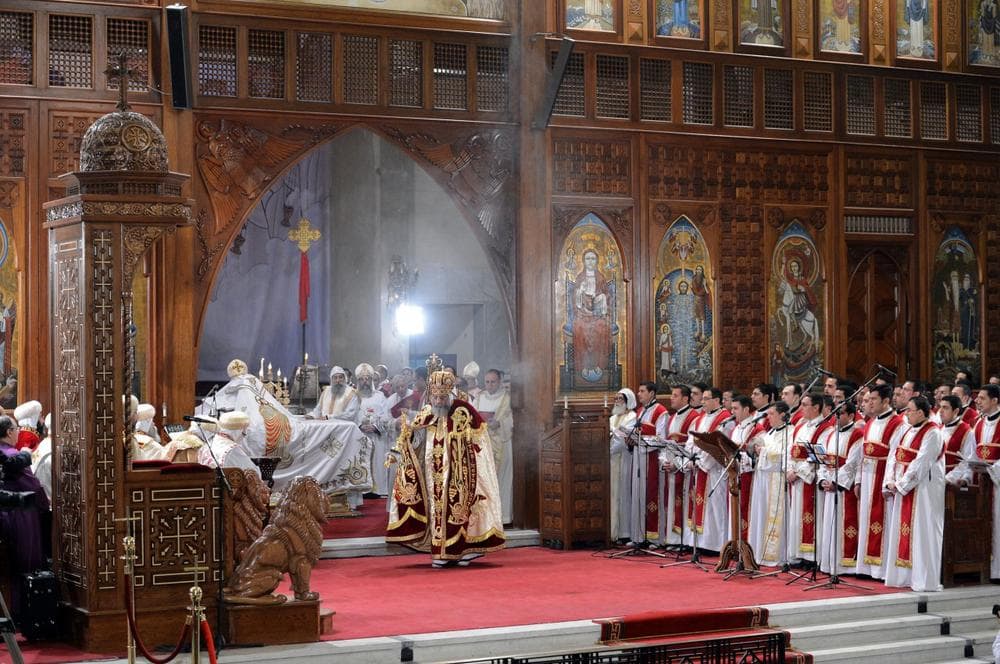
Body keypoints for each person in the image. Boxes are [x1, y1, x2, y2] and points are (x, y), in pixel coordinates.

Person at [386, 370, 505, 567]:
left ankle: (464, 550)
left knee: (461, 512)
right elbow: (411, 434)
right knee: (436, 512)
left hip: (461, 474)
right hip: (434, 475)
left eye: (442, 397)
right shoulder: (428, 411)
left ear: (449, 393)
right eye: (435, 396)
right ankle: (440, 552)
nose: (438, 401)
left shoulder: (463, 411)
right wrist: (398, 450)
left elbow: (479, 442)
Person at [882, 396, 944, 591]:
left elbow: (921, 463)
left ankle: (924, 580)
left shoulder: (933, 433)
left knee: (922, 532)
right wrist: (890, 480)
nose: (905, 413)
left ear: (920, 412)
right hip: (905, 488)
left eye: (909, 410)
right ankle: (903, 577)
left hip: (924, 490)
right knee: (905, 531)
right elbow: (894, 456)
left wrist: (900, 484)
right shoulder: (908, 430)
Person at [853, 384, 906, 579]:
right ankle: (866, 567)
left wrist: (888, 482)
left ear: (885, 401)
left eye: (873, 399)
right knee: (867, 520)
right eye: (868, 399)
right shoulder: (870, 422)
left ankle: (882, 568)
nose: (869, 403)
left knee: (883, 521)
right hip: (867, 479)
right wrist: (858, 480)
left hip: (882, 480)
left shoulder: (898, 424)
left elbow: (894, 456)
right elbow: (862, 454)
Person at [0, 414, 49, 621]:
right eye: (16, 428)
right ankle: (20, 613)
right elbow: (33, 487)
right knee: (24, 563)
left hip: (4, 514)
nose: (19, 431)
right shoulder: (13, 455)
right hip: (19, 514)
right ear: (9, 432)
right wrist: (45, 507)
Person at [682, 387, 733, 552]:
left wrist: (702, 462)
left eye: (705, 399)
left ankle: (716, 544)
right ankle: (701, 543)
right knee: (699, 505)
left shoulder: (725, 418)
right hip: (699, 468)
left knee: (715, 507)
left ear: (716, 400)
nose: (702, 402)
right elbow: (691, 441)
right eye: (702, 398)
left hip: (715, 470)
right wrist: (692, 459)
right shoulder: (700, 418)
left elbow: (720, 445)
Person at [786, 393, 834, 565]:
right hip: (796, 480)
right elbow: (791, 451)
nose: (801, 408)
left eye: (805, 405)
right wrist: (789, 469)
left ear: (816, 407)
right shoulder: (799, 426)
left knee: (811, 516)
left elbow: (818, 456)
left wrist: (797, 473)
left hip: (810, 481)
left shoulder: (826, 429)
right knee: (797, 517)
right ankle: (799, 554)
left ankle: (813, 557)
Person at [817, 400, 863, 575]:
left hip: (844, 491)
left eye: (841, 413)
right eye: (835, 413)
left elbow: (852, 464)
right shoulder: (831, 435)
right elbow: (823, 460)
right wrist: (822, 480)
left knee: (844, 525)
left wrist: (835, 483)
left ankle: (845, 565)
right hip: (830, 487)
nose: (836, 417)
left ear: (851, 415)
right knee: (830, 524)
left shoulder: (857, 435)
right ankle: (829, 563)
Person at [748, 402, 792, 566]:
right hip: (763, 479)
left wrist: (763, 451)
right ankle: (760, 551)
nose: (768, 417)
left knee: (773, 517)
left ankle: (775, 555)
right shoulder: (771, 432)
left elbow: (784, 455)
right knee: (761, 515)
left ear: (782, 415)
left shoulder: (790, 432)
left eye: (771, 414)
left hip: (776, 480)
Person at [659, 384, 699, 546]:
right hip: (671, 467)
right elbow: (666, 443)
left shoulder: (694, 417)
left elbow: (692, 445)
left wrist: (677, 464)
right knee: (671, 503)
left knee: (684, 504)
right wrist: (664, 461)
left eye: (675, 395)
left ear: (685, 398)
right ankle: (672, 539)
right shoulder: (672, 417)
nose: (671, 398)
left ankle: (684, 541)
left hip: (685, 469)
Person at [631, 381, 669, 544]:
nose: (639, 394)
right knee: (638, 496)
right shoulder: (640, 411)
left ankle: (654, 537)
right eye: (638, 391)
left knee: (652, 497)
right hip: (638, 459)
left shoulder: (661, 412)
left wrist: (641, 440)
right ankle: (639, 535)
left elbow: (661, 438)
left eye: (642, 391)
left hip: (652, 459)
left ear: (652, 393)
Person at [474, 369, 513, 524]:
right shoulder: (478, 398)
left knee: (501, 480)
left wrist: (499, 423)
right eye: (487, 382)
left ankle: (502, 517)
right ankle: (484, 517)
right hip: (482, 444)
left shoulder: (507, 398)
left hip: (502, 444)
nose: (490, 385)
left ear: (500, 381)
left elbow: (513, 420)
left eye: (493, 381)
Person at [572, 248, 612, 383]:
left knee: (602, 328)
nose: (590, 261)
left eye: (593, 258)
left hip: (598, 314)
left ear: (597, 261)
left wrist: (601, 300)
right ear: (583, 261)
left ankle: (599, 365)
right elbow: (575, 298)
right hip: (583, 313)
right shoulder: (579, 277)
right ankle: (584, 366)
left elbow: (607, 296)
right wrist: (580, 292)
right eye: (588, 258)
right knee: (579, 328)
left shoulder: (601, 277)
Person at [730, 395, 765, 542]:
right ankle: (735, 541)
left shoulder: (757, 428)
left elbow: (759, 455)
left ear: (746, 409)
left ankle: (747, 542)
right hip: (735, 474)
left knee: (747, 509)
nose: (732, 412)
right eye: (731, 408)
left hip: (749, 476)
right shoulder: (736, 428)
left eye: (735, 408)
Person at [355, 363, 392, 497]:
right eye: (362, 379)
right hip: (359, 436)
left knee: (377, 462)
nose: (365, 382)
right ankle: (362, 490)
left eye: (368, 379)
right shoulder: (353, 396)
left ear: (372, 380)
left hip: (376, 436)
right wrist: (359, 425)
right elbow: (350, 415)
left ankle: (377, 490)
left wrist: (376, 427)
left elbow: (386, 416)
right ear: (358, 381)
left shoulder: (380, 396)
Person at [608, 388, 638, 542]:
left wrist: (608, 449)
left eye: (620, 398)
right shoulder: (612, 418)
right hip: (611, 460)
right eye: (616, 398)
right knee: (613, 495)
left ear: (628, 401)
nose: (617, 401)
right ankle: (612, 531)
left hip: (624, 459)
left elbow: (622, 439)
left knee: (623, 494)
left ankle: (624, 532)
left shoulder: (632, 417)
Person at [198, 410, 261, 476]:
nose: (242, 438)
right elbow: (254, 474)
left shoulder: (208, 444)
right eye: (243, 433)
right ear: (237, 431)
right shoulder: (232, 450)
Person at [940, 395, 978, 484]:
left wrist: (949, 478)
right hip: (935, 479)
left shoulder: (967, 432)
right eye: (940, 407)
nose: (940, 411)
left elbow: (967, 461)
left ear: (956, 411)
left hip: (952, 482)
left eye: (945, 408)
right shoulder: (938, 429)